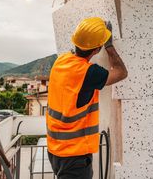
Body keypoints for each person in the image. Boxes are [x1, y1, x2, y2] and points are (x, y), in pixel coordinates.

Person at [46, 17, 128, 179]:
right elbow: (121, 72)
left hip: (55, 151)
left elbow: (78, 51)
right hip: (74, 157)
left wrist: (93, 36)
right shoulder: (89, 73)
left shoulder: (60, 61)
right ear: (97, 49)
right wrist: (109, 46)